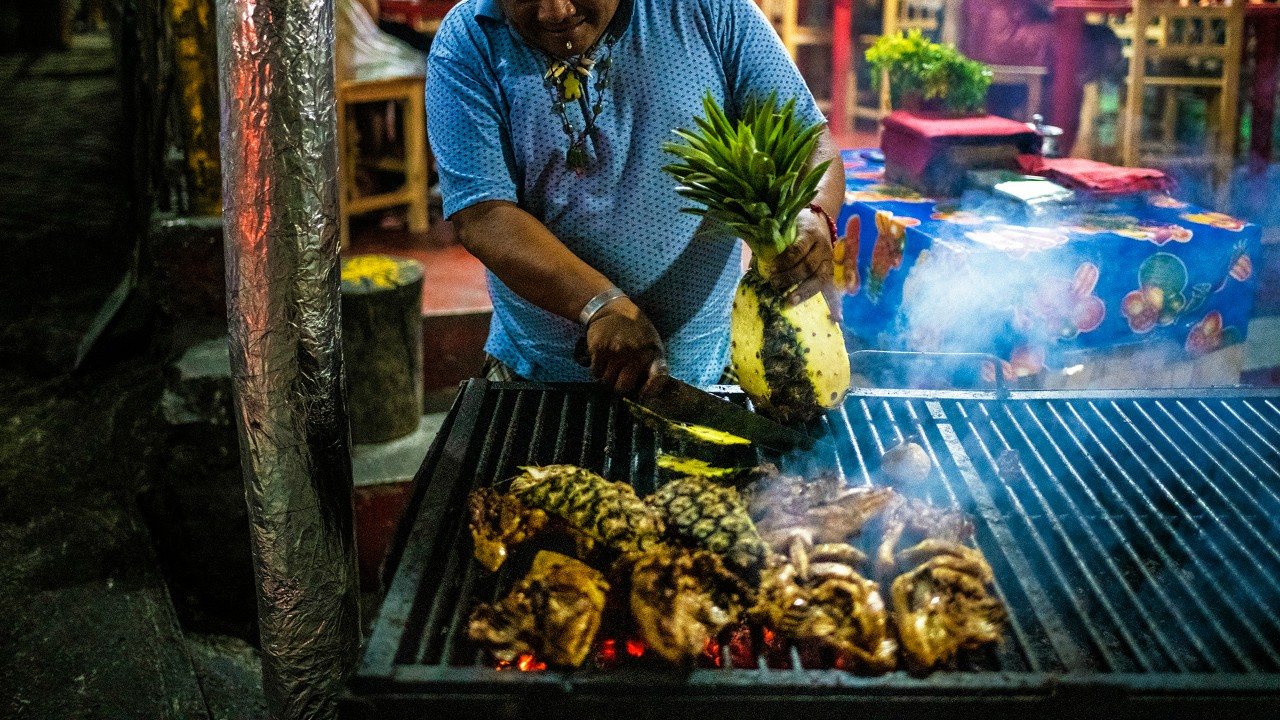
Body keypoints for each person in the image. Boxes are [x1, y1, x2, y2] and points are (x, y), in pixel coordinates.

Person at [425, 0, 844, 396]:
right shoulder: (468, 40)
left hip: (708, 373)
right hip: (538, 375)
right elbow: (482, 214)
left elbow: (806, 138)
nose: (556, 11)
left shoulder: (710, 9)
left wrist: (813, 212)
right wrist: (600, 304)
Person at [957, 0, 1124, 119]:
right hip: (1006, 35)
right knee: (1091, 44)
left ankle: (1050, 142)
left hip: (989, 33)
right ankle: (1054, 146)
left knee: (1091, 41)